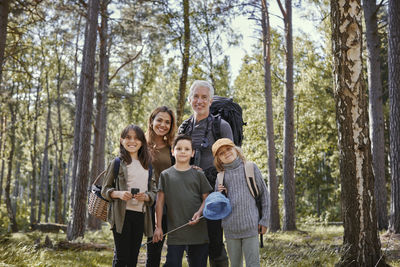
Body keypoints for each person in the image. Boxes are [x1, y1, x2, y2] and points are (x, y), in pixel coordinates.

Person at [178, 80, 233, 267]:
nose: (199, 101)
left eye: (204, 97)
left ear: (210, 101)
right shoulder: (184, 128)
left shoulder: (222, 127)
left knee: (216, 245)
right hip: (189, 196)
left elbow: (231, 161)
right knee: (192, 247)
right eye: (196, 96)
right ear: (189, 99)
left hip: (214, 195)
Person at [152, 135, 212, 267]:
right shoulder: (165, 175)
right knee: (172, 263)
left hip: (198, 231)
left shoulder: (199, 174)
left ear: (192, 153)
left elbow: (207, 198)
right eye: (179, 148)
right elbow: (159, 203)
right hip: (175, 232)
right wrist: (158, 227)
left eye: (186, 149)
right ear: (173, 152)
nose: (183, 151)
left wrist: (199, 212)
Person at [101, 124, 157, 267]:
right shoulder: (117, 163)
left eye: (136, 138)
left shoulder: (148, 165)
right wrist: (118, 194)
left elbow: (154, 191)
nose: (132, 141)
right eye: (128, 138)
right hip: (121, 215)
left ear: (142, 142)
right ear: (121, 140)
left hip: (140, 215)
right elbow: (104, 189)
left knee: (133, 258)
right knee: (122, 258)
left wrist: (146, 197)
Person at [212, 138, 269, 267]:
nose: (226, 153)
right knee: (235, 264)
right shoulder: (220, 176)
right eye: (221, 153)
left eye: (228, 149)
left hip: (250, 226)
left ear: (236, 149)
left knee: (253, 264)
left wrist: (265, 220)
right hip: (230, 229)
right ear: (218, 159)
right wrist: (220, 193)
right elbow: (218, 207)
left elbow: (265, 195)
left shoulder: (250, 168)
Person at [145, 106, 176, 267]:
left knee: (154, 250)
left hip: (161, 204)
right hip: (140, 201)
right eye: (159, 120)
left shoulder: (172, 148)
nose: (163, 125)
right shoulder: (139, 143)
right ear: (152, 121)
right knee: (127, 249)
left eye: (167, 122)